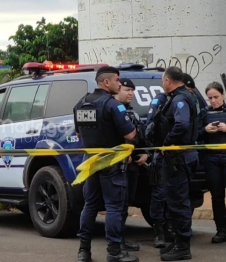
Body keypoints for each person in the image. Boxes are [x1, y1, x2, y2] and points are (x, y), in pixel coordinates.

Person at [74, 66, 139, 262]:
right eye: (118, 80)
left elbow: (78, 134)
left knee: (90, 206)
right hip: (111, 163)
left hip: (91, 162)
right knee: (114, 207)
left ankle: (83, 251)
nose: (120, 84)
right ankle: (114, 251)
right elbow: (130, 134)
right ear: (107, 82)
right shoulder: (113, 105)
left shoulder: (81, 103)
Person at [153, 66, 199, 261]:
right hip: (183, 157)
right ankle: (179, 241)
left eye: (163, 80)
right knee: (176, 201)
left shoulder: (179, 99)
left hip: (178, 158)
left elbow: (182, 124)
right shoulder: (187, 96)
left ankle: (183, 246)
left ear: (168, 81)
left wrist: (167, 142)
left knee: (178, 202)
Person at [114, 78, 149, 252]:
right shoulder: (112, 111)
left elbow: (140, 137)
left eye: (132, 91)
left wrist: (145, 153)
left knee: (125, 204)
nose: (130, 93)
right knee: (118, 205)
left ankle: (121, 238)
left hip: (133, 166)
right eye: (127, 90)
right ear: (117, 89)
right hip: (118, 165)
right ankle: (116, 242)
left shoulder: (132, 113)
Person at [145, 91, 175, 248]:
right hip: (160, 154)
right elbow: (149, 127)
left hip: (176, 156)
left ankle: (170, 229)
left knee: (172, 194)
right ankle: (159, 232)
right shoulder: (160, 99)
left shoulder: (178, 99)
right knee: (159, 194)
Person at [197, 81, 226, 243]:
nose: (213, 101)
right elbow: (194, 135)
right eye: (210, 98)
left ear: (223, 95)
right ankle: (221, 230)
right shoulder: (204, 113)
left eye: (216, 97)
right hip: (212, 159)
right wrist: (205, 130)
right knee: (217, 196)